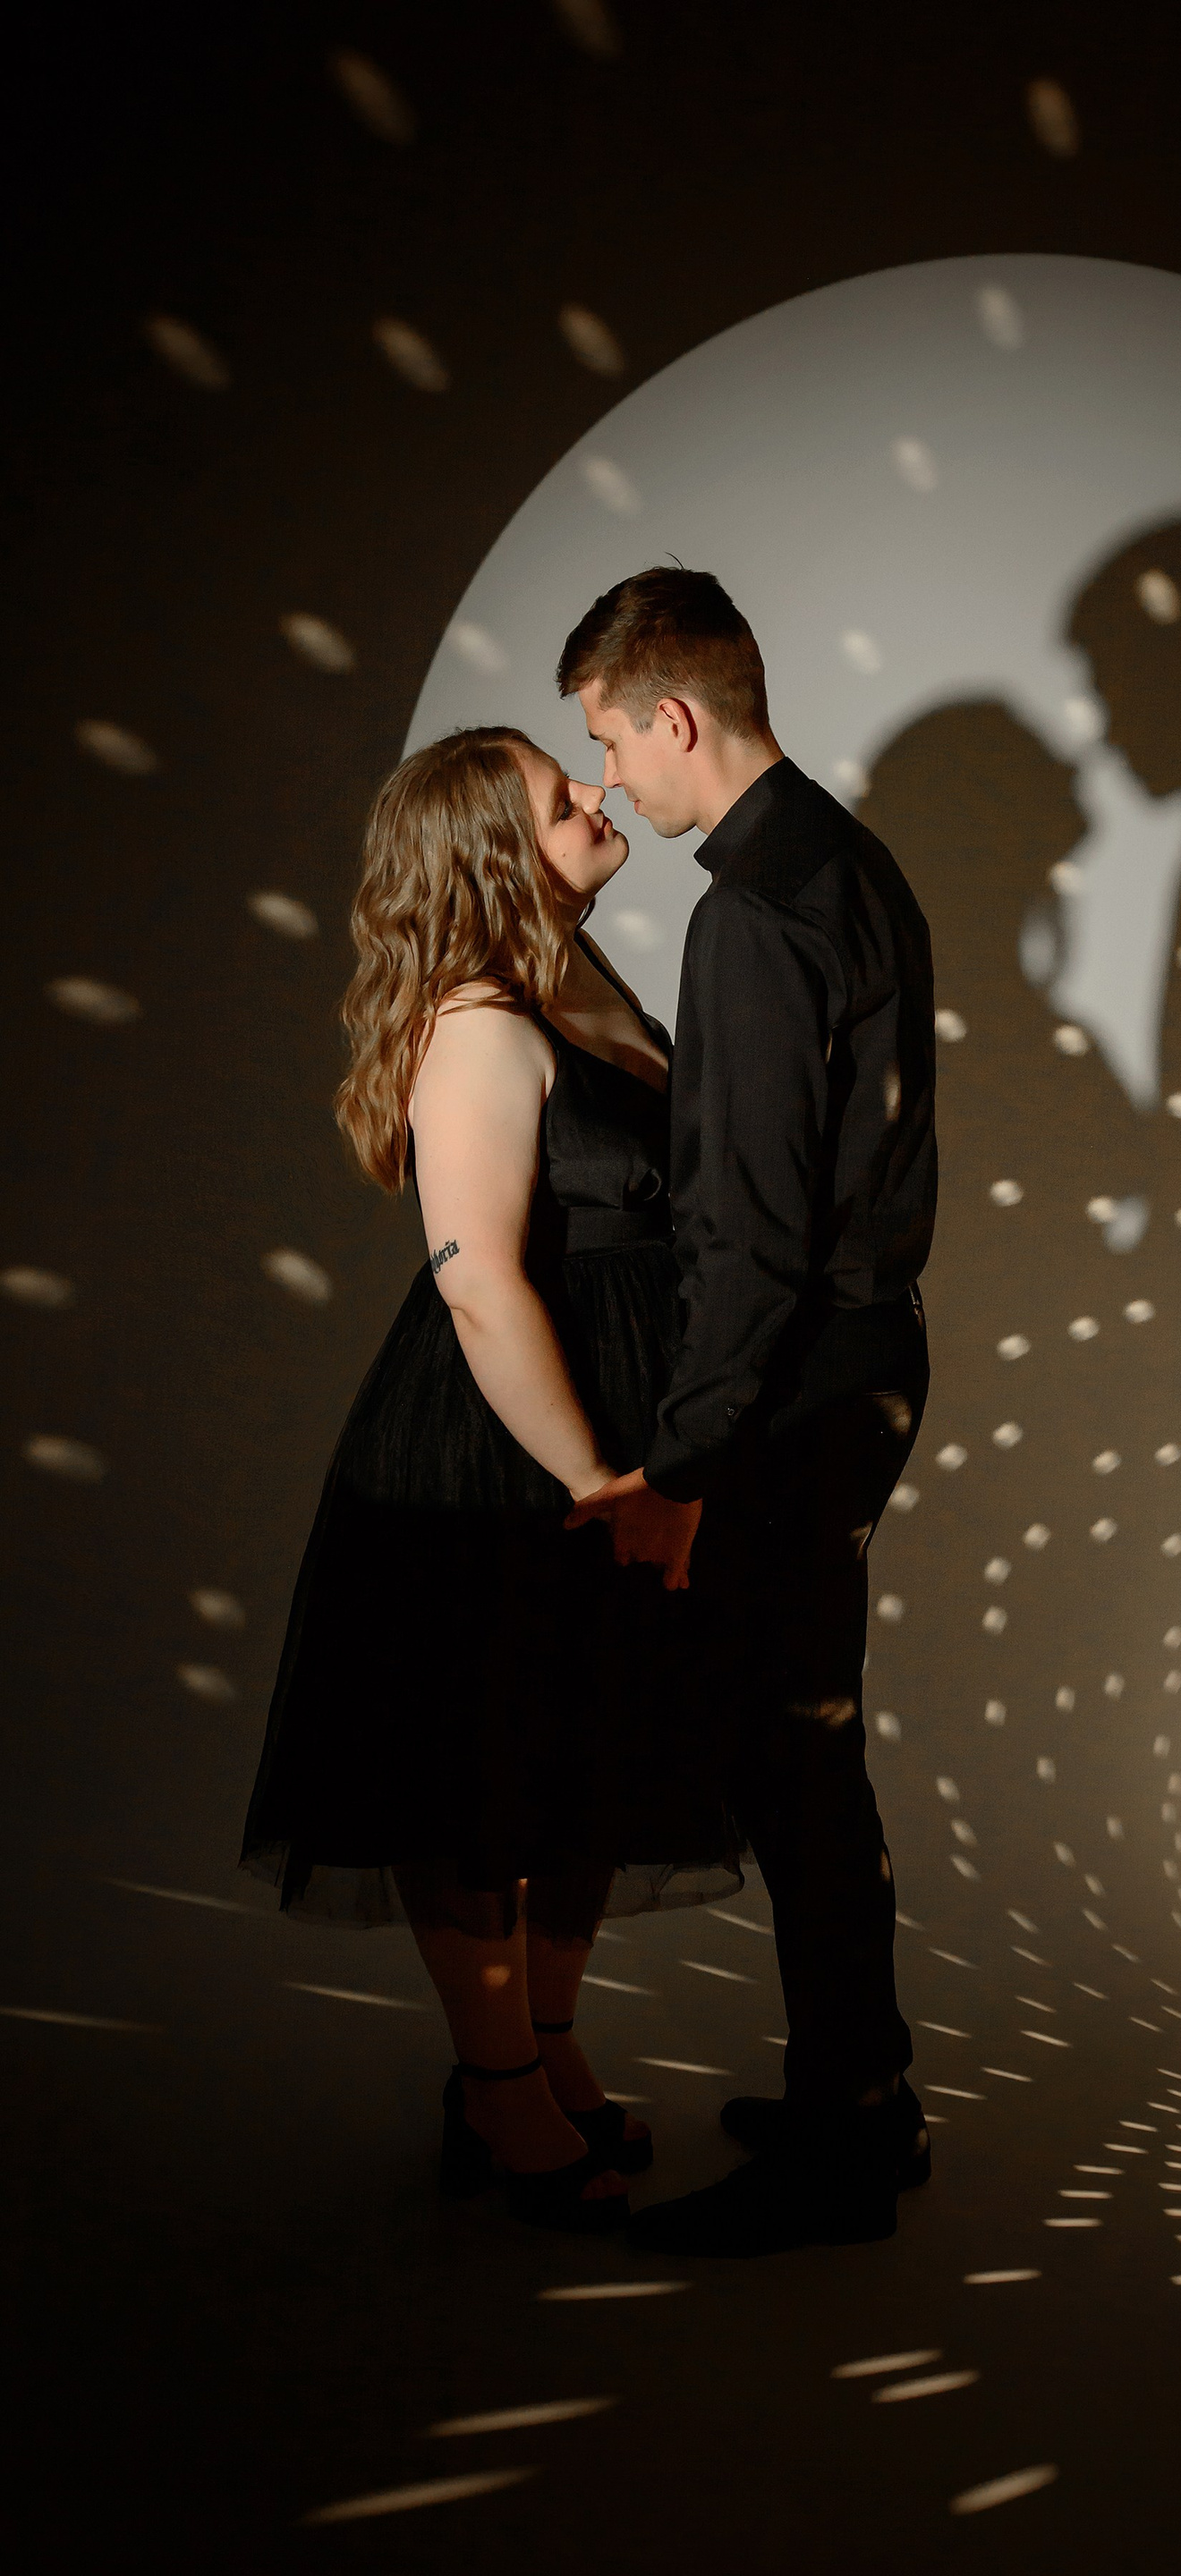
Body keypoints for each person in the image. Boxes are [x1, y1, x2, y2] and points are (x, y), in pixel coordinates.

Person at [241, 724, 742, 2233]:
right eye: (552, 793)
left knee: (586, 1750)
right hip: (509, 1451)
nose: (594, 792)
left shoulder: (579, 978)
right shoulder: (477, 1020)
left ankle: (548, 2048)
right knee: (478, 1769)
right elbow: (476, 1280)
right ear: (487, 856)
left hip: (620, 1430)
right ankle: (498, 2087)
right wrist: (598, 1476)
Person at [562, 568, 938, 2257]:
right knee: (808, 1758)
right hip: (862, 1358)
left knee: (794, 1767)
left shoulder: (756, 912)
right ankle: (865, 2098)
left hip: (797, 1387)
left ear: (676, 716)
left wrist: (682, 1457)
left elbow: (753, 1229)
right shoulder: (845, 862)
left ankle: (850, 2143)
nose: (610, 780)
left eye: (609, 741)